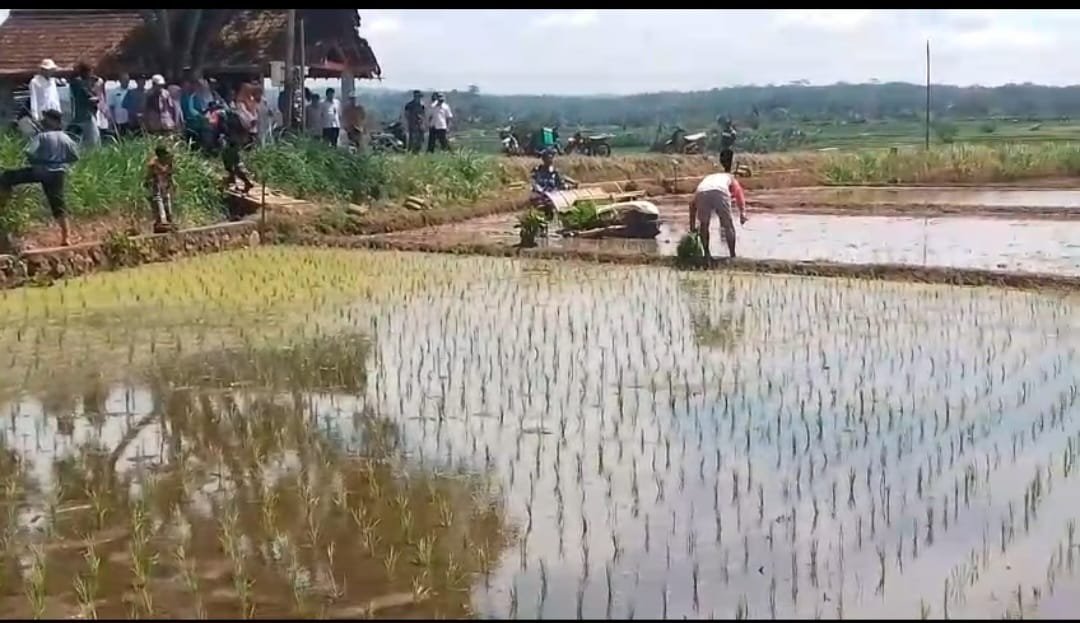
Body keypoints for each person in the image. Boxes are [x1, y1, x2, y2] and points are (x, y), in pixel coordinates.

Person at [0, 110, 80, 246]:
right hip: (58, 173)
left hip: (41, 171)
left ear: (53, 121)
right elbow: (75, 156)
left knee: (7, 177)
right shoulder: (65, 138)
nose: (43, 121)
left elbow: (29, 152)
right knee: (58, 204)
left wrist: (37, 161)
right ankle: (66, 237)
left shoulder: (42, 137)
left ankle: (3, 204)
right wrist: (61, 163)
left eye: (46, 119)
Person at [689, 167, 748, 260]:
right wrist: (742, 213)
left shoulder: (707, 179)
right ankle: (732, 255)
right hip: (720, 191)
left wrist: (692, 227)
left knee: (704, 225)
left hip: (701, 192)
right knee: (728, 225)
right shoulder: (731, 177)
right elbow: (739, 194)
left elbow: (692, 205)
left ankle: (706, 254)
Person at [145, 145, 176, 232]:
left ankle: (169, 223)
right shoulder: (153, 165)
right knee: (159, 205)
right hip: (156, 188)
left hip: (165, 187)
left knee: (168, 207)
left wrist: (173, 184)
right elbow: (148, 178)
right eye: (166, 154)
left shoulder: (169, 163)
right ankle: (161, 223)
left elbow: (170, 175)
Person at [69, 63, 101, 149]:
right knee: (94, 140)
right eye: (90, 72)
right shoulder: (79, 83)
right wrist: (96, 97)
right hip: (86, 116)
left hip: (80, 115)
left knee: (82, 141)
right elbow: (89, 98)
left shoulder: (75, 82)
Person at [222, 125, 255, 194]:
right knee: (233, 169)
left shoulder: (229, 130)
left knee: (233, 169)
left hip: (230, 149)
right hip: (231, 148)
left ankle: (244, 182)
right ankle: (240, 182)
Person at [402, 90, 426, 154]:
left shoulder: (422, 105)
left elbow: (424, 114)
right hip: (413, 124)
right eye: (417, 96)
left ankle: (418, 151)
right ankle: (411, 151)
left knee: (420, 139)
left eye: (419, 97)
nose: (418, 98)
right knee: (412, 139)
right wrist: (411, 121)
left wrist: (423, 123)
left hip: (421, 124)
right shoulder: (409, 105)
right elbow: (406, 114)